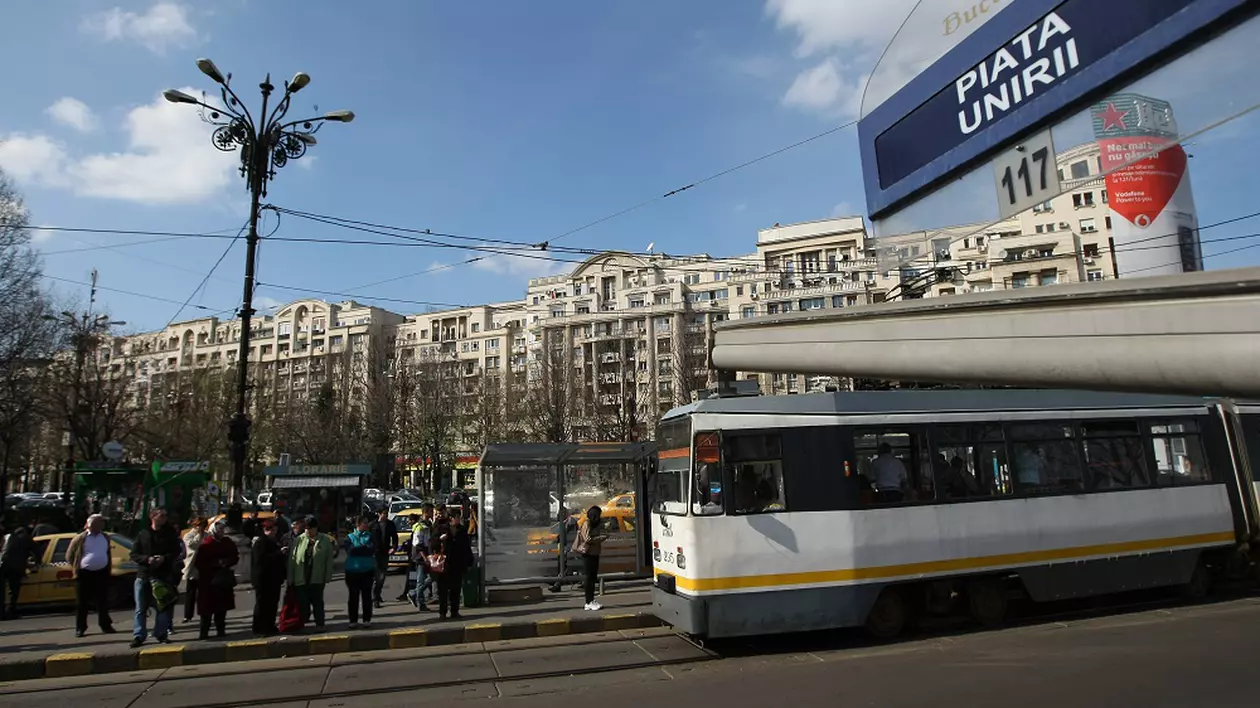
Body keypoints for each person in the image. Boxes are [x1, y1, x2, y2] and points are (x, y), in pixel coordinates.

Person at [129, 508, 181, 647]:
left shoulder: (169, 533)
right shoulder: (143, 533)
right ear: (153, 517)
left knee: (163, 606)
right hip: (144, 575)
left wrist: (164, 558)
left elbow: (176, 551)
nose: (164, 518)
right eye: (161, 516)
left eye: (165, 516)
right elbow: (134, 554)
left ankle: (161, 633)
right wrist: (147, 559)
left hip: (163, 575)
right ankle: (139, 635)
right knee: (141, 607)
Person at [67, 514, 117, 637]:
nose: (101, 525)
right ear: (90, 524)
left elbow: (106, 552)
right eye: (99, 523)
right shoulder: (80, 538)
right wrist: (78, 566)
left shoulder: (104, 537)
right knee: (82, 602)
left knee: (102, 601)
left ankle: (105, 625)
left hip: (101, 572)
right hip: (84, 574)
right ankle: (81, 627)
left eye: (102, 523)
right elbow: (69, 555)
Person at [194, 519, 239, 640]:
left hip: (223, 580)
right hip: (208, 581)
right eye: (219, 529)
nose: (221, 531)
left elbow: (235, 556)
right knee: (206, 609)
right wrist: (215, 564)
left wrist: (226, 562)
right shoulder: (206, 544)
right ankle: (204, 632)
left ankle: (221, 630)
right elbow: (199, 563)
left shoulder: (227, 542)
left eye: (222, 529)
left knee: (222, 607)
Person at [289, 516, 335, 631]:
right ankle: (302, 623)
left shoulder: (324, 540)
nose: (308, 531)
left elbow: (329, 560)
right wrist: (290, 577)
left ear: (316, 528)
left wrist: (328, 575)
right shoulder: (299, 540)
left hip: (317, 576)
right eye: (306, 528)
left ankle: (320, 623)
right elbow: (292, 560)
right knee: (302, 602)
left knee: (317, 602)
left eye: (311, 529)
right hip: (301, 576)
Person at [251, 519, 287, 636]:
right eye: (269, 529)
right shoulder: (261, 542)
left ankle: (270, 625)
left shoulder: (274, 541)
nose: (272, 532)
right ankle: (260, 628)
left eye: (274, 530)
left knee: (272, 603)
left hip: (274, 579)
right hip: (263, 579)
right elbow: (262, 560)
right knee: (262, 604)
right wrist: (279, 553)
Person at [343, 515, 377, 629]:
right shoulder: (349, 537)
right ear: (358, 524)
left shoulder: (370, 536)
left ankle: (367, 619)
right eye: (364, 523)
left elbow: (371, 549)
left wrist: (360, 549)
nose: (367, 525)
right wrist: (363, 548)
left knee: (367, 597)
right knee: (353, 597)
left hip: (367, 571)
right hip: (352, 571)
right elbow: (351, 551)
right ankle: (353, 620)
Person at [571, 506, 608, 611]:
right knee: (589, 577)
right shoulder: (587, 523)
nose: (599, 517)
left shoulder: (595, 524)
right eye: (598, 515)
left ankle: (591, 600)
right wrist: (601, 538)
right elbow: (587, 539)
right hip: (588, 554)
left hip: (594, 553)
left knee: (592, 577)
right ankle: (589, 601)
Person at [0, 519, 33, 620]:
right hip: (15, 568)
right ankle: (10, 611)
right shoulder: (26, 538)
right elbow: (36, 550)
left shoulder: (6, 537)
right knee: (14, 591)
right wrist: (38, 562)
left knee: (2, 591)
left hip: (3, 565)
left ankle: (3, 612)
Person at [369, 509, 397, 609]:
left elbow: (395, 537)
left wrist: (394, 547)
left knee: (382, 576)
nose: (386, 515)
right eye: (384, 513)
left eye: (387, 514)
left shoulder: (390, 524)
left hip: (385, 553)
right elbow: (368, 538)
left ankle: (377, 594)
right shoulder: (373, 525)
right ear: (379, 514)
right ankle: (375, 598)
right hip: (375, 553)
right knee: (377, 577)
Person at [181, 517, 207, 625]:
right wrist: (199, 535)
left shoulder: (207, 535)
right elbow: (193, 545)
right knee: (190, 592)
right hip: (192, 566)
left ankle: (204, 613)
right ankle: (188, 615)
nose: (201, 528)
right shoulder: (188, 535)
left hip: (204, 565)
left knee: (204, 592)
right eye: (199, 526)